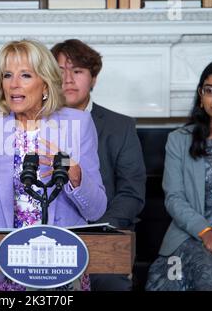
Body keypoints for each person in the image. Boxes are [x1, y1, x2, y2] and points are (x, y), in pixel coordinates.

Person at [0, 39, 107, 291]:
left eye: (25, 75)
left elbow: (96, 210)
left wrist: (75, 174)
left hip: (61, 262)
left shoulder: (77, 124)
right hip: (4, 261)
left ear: (44, 83)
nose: (13, 84)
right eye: (7, 75)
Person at [146, 59, 212, 291]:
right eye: (210, 90)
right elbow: (174, 197)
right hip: (192, 234)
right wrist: (206, 233)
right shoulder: (179, 139)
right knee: (207, 274)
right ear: (200, 95)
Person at [51, 39, 146, 291]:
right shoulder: (35, 123)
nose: (68, 79)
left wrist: (99, 230)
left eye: (78, 71)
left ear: (93, 78)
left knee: (108, 283)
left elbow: (131, 193)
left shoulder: (120, 127)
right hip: (47, 237)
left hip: (103, 234)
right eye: (60, 71)